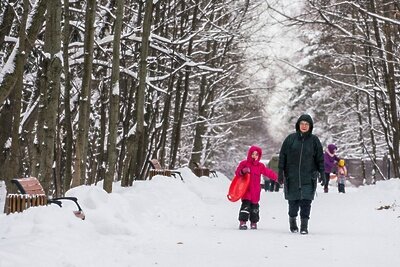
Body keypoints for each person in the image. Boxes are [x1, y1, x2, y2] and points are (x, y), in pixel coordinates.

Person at [278, 114, 324, 234]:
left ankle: (304, 226)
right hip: (292, 177)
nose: (304, 126)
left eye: (306, 124)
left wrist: (322, 173)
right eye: (302, 123)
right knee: (293, 203)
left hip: (308, 177)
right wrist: (280, 172)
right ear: (298, 125)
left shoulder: (314, 141)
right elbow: (282, 156)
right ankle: (292, 221)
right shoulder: (290, 139)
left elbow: (320, 159)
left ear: (310, 126)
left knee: (306, 202)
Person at [235, 145, 278, 230]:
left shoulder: (260, 166)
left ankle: (254, 222)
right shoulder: (244, 164)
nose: (254, 156)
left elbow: (268, 172)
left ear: (259, 156)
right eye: (253, 154)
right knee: (245, 206)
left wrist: (277, 178)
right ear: (249, 154)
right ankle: (243, 222)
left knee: (255, 207)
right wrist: (243, 171)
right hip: (246, 190)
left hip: (255, 191)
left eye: (256, 154)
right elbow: (237, 173)